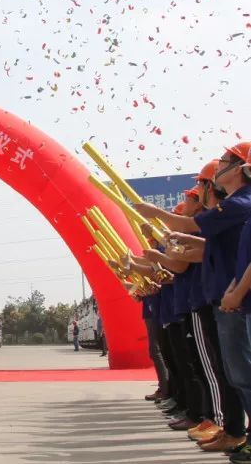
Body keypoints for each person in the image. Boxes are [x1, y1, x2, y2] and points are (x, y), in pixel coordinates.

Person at [140, 146, 251, 453]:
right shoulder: (231, 209)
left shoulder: (239, 204)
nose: (200, 190)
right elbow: (204, 248)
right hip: (222, 296)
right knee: (228, 370)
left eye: (199, 187)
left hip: (226, 298)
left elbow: (186, 253)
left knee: (234, 372)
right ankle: (231, 428)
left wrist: (156, 216)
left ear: (240, 168)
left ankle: (226, 425)